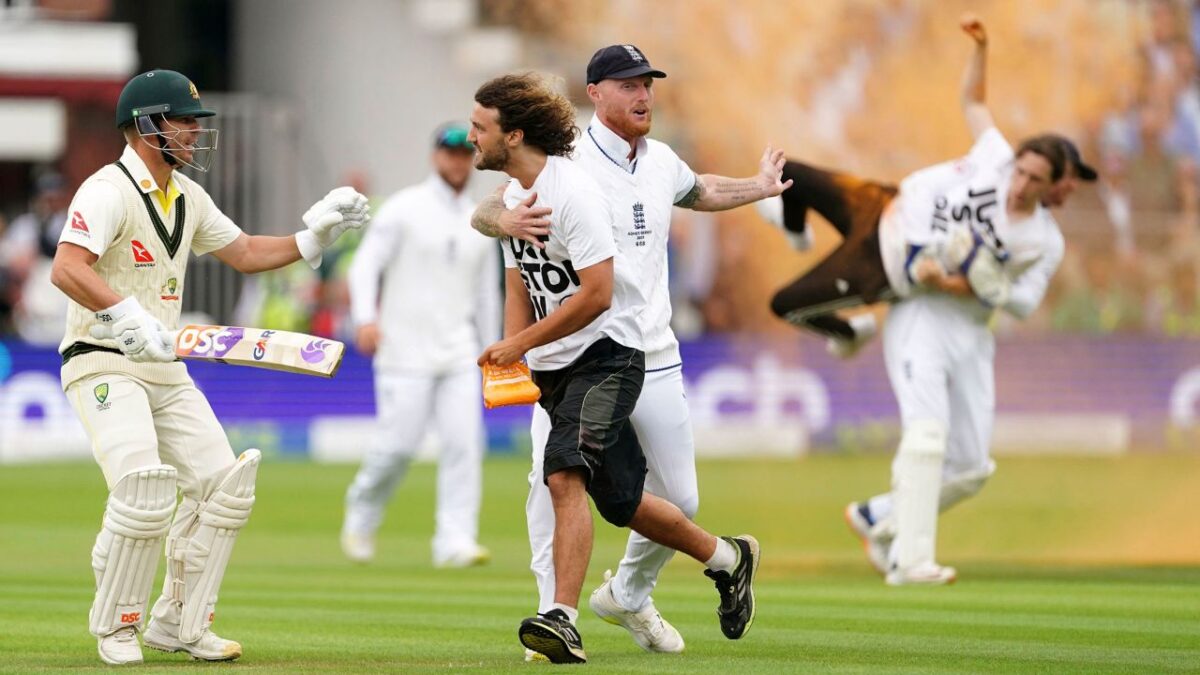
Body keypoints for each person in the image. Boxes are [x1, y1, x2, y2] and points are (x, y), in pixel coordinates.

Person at [470, 44, 789, 657]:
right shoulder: (567, 158)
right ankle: (552, 620)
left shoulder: (663, 159)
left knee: (676, 500)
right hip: (572, 355)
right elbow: (496, 207)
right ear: (595, 93)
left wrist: (760, 186)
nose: (643, 94)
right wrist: (500, 223)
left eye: (647, 84)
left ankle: (629, 595)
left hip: (649, 351)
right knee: (553, 481)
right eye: (628, 84)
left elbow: (703, 191)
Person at [50, 69, 368, 665]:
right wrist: (124, 313)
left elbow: (244, 253)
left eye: (196, 121)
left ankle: (178, 623)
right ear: (147, 126)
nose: (195, 132)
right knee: (144, 490)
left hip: (165, 365)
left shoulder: (186, 196)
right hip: (101, 362)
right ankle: (118, 624)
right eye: (183, 120)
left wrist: (311, 238)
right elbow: (67, 267)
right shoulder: (107, 190)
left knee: (224, 487)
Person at [766, 16, 1085, 583]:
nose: (1020, 183)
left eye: (1036, 179)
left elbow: (1021, 305)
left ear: (1054, 187)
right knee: (927, 432)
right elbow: (974, 100)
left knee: (970, 466)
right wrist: (983, 48)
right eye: (1023, 169)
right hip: (916, 311)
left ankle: (877, 516)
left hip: (970, 328)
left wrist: (974, 283)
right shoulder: (994, 158)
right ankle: (911, 562)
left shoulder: (1042, 240)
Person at [340, 122, 498, 567]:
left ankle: (455, 540)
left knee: (464, 445)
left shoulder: (481, 217)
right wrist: (366, 318)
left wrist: (492, 350)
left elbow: (487, 293)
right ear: (435, 157)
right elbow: (365, 266)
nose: (458, 161)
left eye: (465, 153)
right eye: (450, 153)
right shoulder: (403, 208)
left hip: (459, 351)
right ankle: (363, 511)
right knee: (397, 447)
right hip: (403, 351)